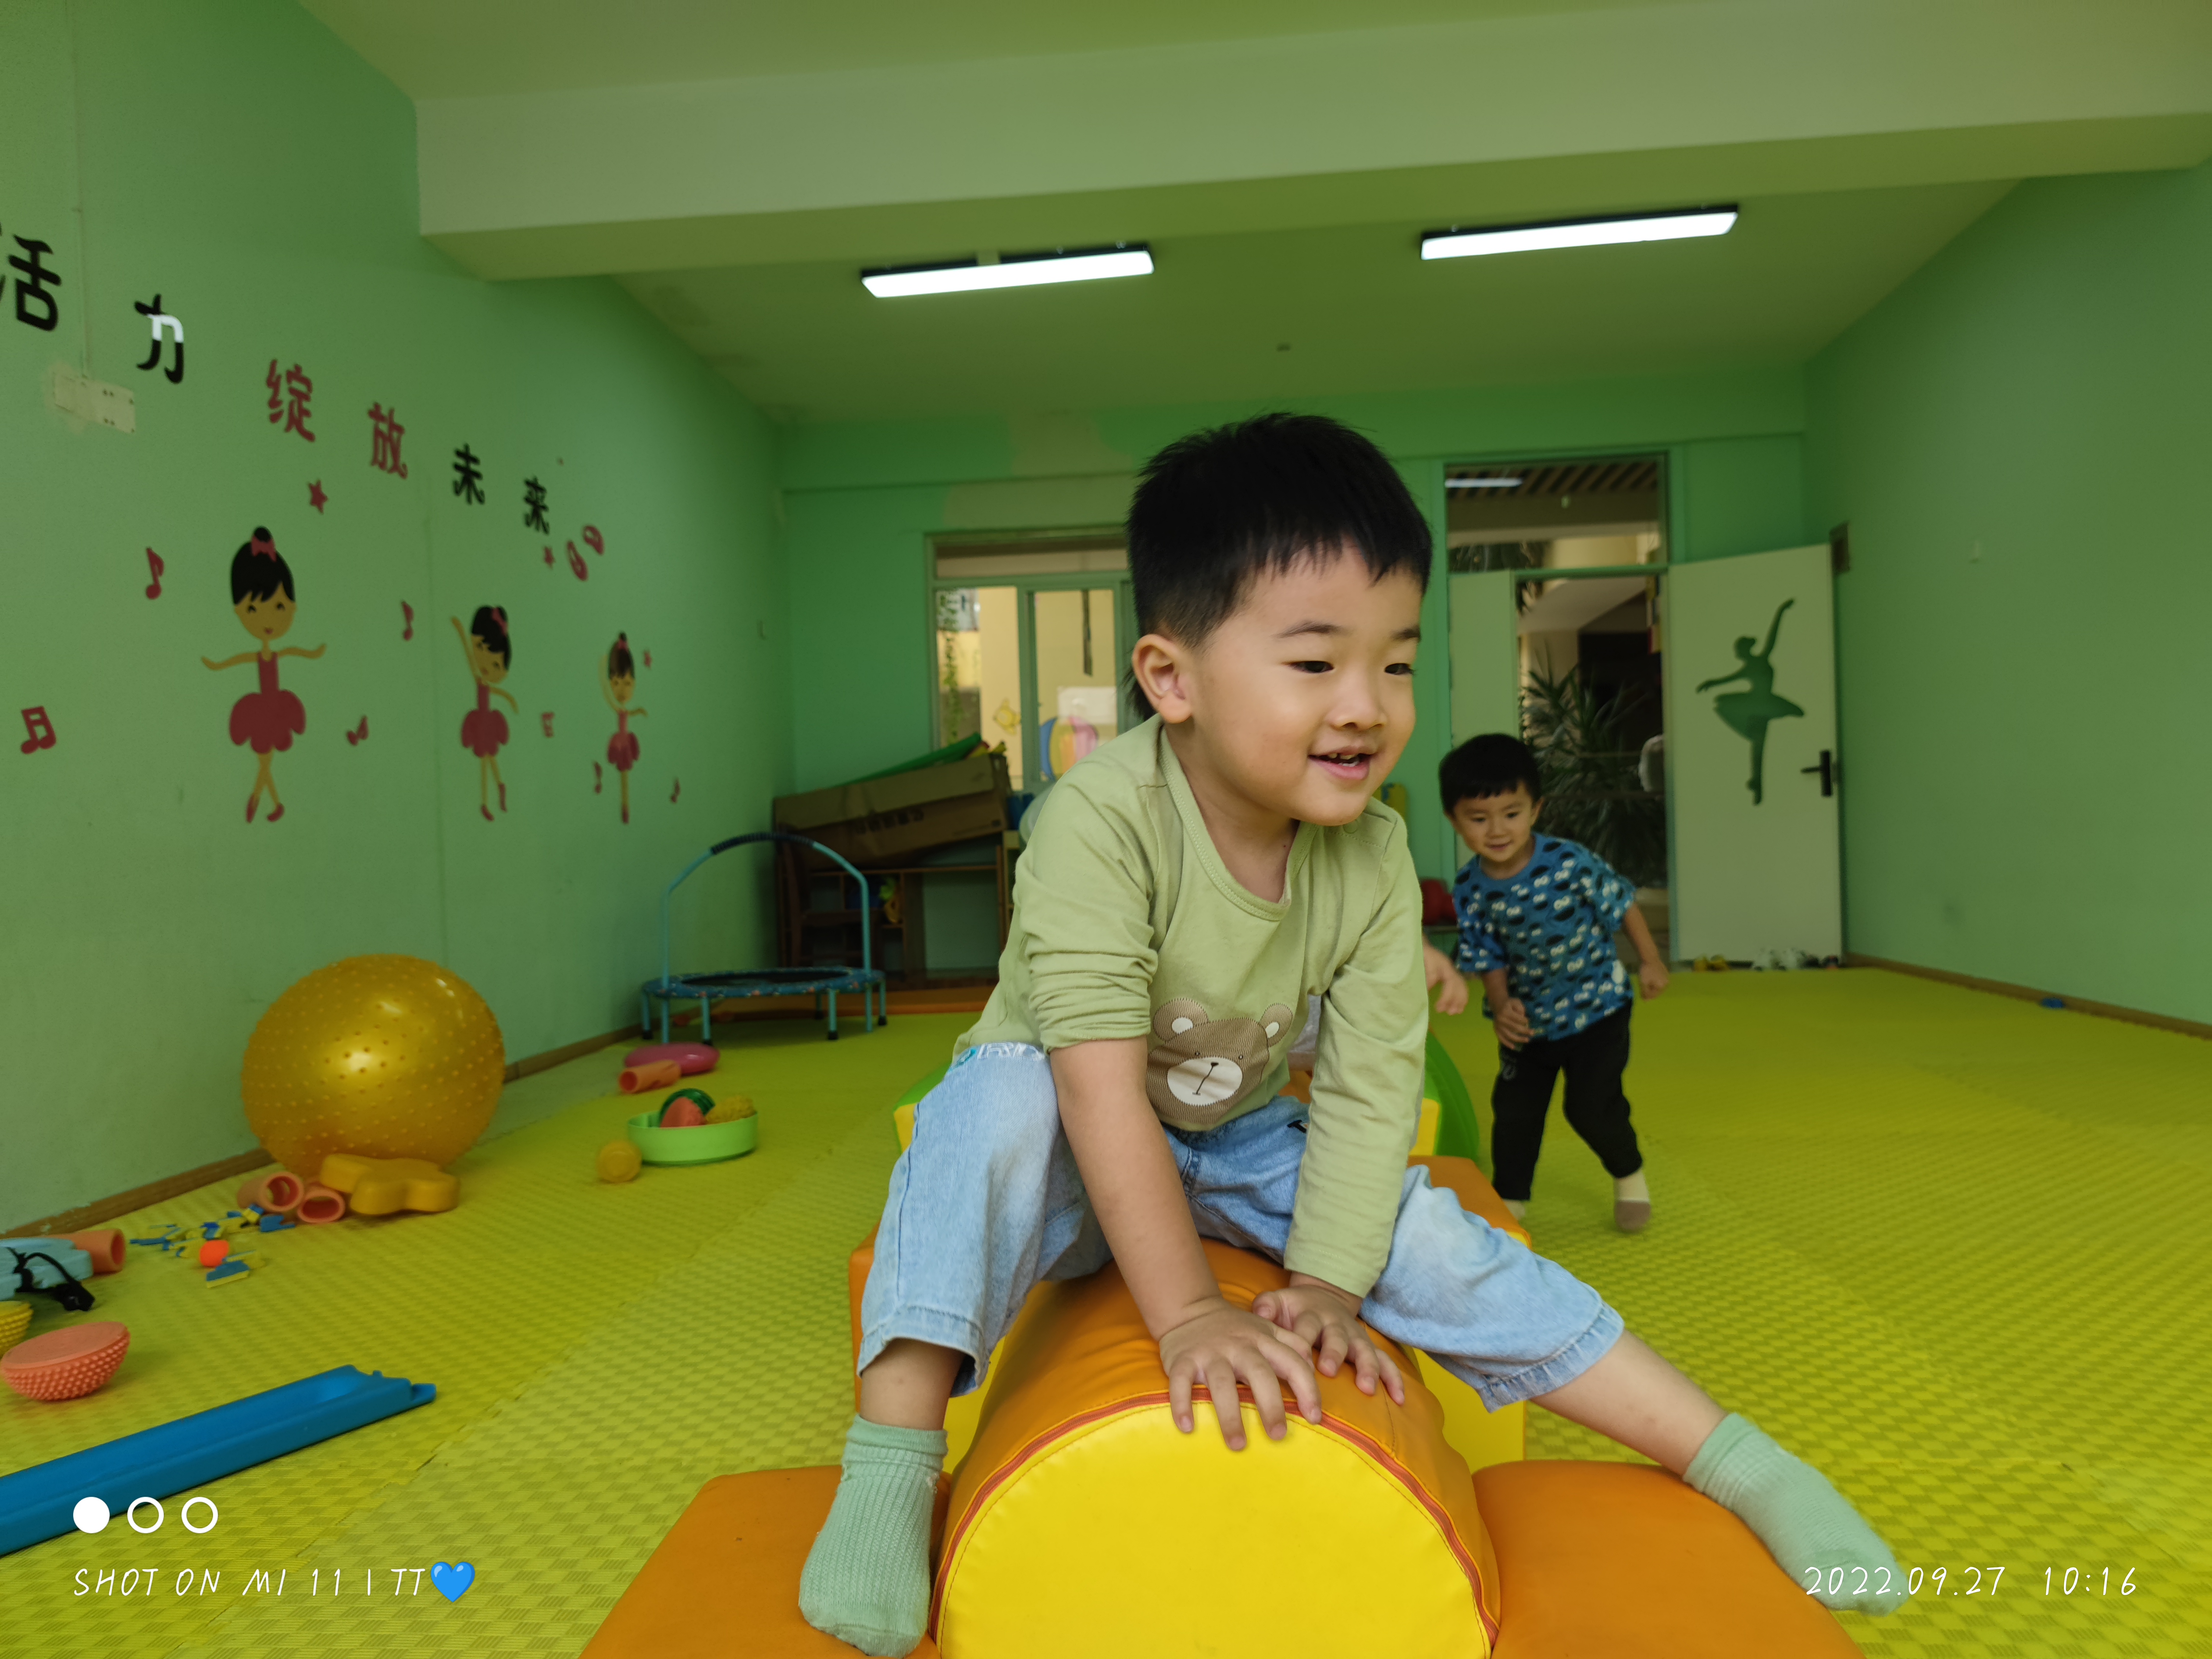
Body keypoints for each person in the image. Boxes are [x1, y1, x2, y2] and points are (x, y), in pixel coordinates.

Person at [799, 415, 1901, 1657]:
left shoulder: (1372, 855)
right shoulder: (1095, 821)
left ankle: (1736, 1459)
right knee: (988, 1109)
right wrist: (1189, 1316)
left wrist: (1328, 1280)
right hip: (1069, 1132)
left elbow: (1372, 1090)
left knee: (1431, 1235)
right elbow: (1097, 1091)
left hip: (1237, 1139)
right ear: (1171, 679)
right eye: (1316, 663)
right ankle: (888, 1465)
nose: (1367, 709)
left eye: (1396, 663)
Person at [1441, 733, 1663, 1231]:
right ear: (1455, 820)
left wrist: (1650, 961)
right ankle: (1511, 1199)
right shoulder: (1471, 886)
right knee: (1514, 1111)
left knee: (1590, 1108)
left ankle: (1629, 1174)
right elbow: (1485, 952)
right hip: (1530, 1022)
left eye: (1511, 814)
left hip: (1598, 1010)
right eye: (1479, 819)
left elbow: (1621, 902)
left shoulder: (1569, 861)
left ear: (1536, 809)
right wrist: (1501, 1005)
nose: (1497, 830)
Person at [201, 527, 324, 824]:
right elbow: (239, 660)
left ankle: (262, 800)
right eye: (253, 609)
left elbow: (293, 651)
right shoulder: (260, 656)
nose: (268, 619)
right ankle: (268, 802)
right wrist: (217, 665)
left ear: (292, 607)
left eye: (280, 606)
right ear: (240, 611)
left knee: (265, 761)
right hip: (264, 710)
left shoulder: (275, 654)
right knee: (265, 760)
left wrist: (312, 653)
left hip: (276, 707)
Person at [1695, 599, 1802, 803]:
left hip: (1762, 703)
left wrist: (1781, 611)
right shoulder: (1754, 664)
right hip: (1759, 704)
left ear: (1744, 651)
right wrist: (1710, 683)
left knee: (1757, 740)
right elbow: (1726, 680)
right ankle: (1756, 781)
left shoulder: (1760, 660)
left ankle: (1757, 781)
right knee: (1756, 741)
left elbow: (1773, 635)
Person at [452, 606, 517, 821]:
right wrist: (460, 630)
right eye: (480, 647)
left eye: (496, 664)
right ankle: (486, 800)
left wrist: (509, 699)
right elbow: (469, 657)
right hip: (481, 720)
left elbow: (497, 692)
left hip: (486, 721)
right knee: (485, 760)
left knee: (490, 757)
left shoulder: (484, 683)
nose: (488, 666)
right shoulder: (479, 678)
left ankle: (498, 788)